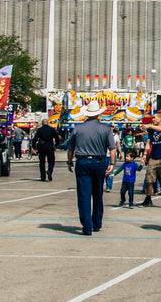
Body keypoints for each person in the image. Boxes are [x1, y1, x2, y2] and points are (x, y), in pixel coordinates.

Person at [66, 100, 118, 236]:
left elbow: (70, 148)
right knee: (97, 194)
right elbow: (112, 148)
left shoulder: (77, 129)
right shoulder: (106, 129)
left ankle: (87, 226)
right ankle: (97, 223)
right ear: (98, 114)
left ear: (87, 114)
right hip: (99, 162)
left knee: (84, 195)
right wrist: (112, 164)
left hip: (83, 162)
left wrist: (69, 161)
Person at [140, 115, 161, 208]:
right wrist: (144, 155)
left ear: (160, 119)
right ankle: (148, 198)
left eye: (154, 118)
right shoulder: (151, 131)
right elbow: (148, 143)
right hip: (153, 157)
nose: (153, 119)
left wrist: (150, 126)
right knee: (149, 179)